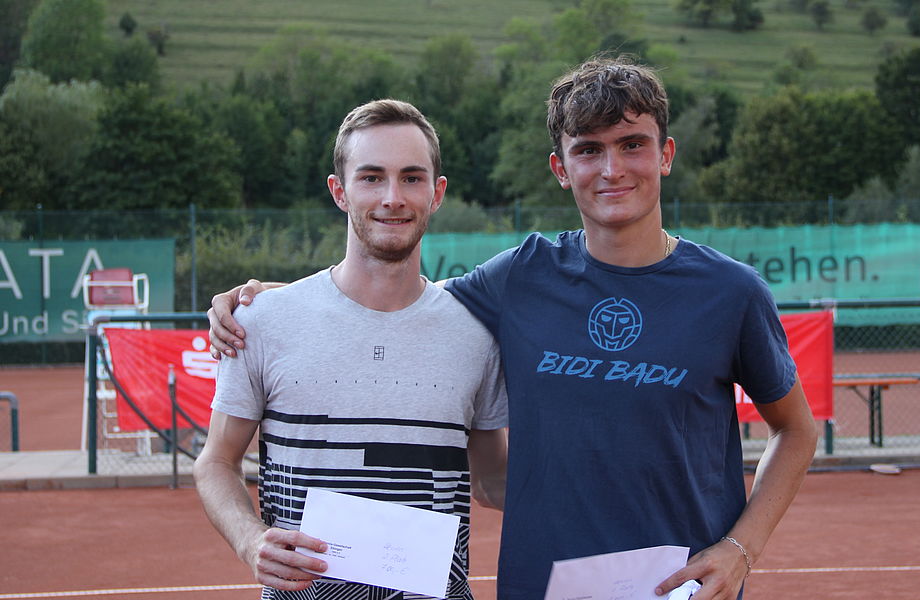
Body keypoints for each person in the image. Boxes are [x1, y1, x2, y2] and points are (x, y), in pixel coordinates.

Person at [209, 57, 818, 600]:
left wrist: (741, 549)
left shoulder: (732, 293)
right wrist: (277, 299)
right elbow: (395, 293)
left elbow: (795, 429)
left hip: (678, 588)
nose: (612, 169)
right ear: (561, 167)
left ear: (665, 154)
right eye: (589, 150)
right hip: (542, 585)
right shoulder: (523, 275)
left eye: (632, 144)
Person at [193, 99, 509, 600]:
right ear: (339, 191)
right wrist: (251, 541)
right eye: (371, 178)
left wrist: (616, 503)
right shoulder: (261, 320)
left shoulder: (476, 331)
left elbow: (493, 482)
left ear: (437, 192)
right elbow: (216, 462)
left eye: (411, 178)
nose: (392, 197)